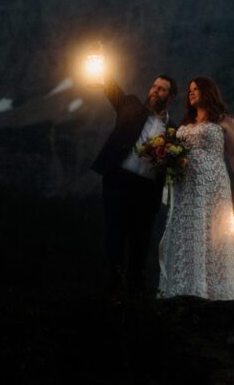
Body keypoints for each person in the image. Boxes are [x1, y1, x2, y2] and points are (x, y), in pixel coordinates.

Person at [158, 76, 234, 300]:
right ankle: (185, 287)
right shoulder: (186, 123)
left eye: (196, 89)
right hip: (185, 185)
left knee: (213, 232)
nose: (191, 93)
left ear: (208, 92)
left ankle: (216, 291)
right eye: (189, 90)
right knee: (186, 231)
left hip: (213, 184)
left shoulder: (224, 121)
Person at [91, 73, 178, 299]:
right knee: (115, 235)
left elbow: (175, 164)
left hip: (147, 191)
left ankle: (136, 293)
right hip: (118, 181)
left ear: (170, 97)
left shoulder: (173, 130)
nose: (154, 91)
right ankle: (111, 290)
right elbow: (112, 88)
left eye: (161, 89)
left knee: (141, 241)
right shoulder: (130, 104)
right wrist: (100, 63)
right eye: (153, 86)